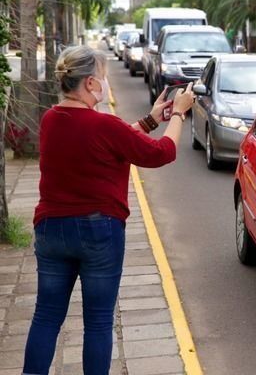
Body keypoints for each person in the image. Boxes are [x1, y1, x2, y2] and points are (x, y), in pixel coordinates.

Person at [22, 45, 194, 375]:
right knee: (99, 322)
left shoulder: (51, 119)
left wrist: (150, 119)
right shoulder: (104, 125)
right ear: (89, 83)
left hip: (51, 230)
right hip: (99, 231)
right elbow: (162, 153)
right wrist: (179, 114)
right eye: (102, 76)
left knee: (46, 315)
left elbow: (104, 142)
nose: (105, 82)